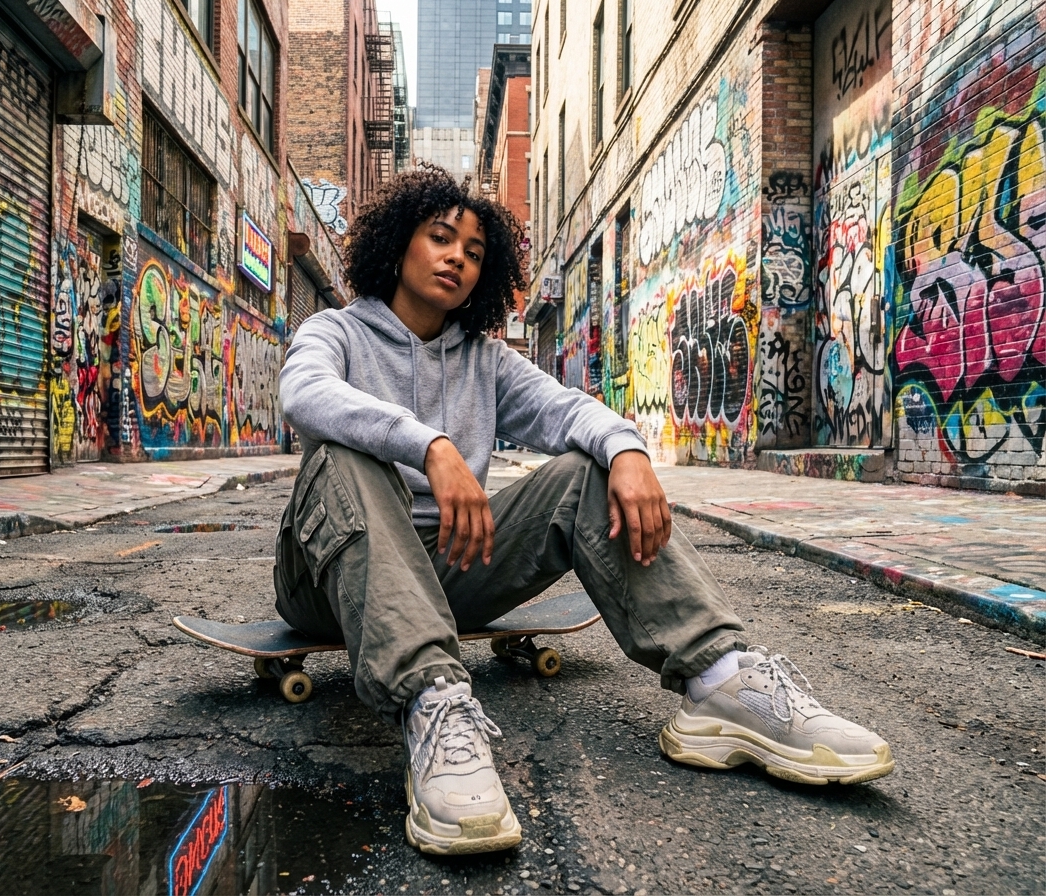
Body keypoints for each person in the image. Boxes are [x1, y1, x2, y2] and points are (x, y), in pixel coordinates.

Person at [275, 165, 894, 857]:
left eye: (475, 252)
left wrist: (627, 453)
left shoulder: (483, 359)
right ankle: (434, 707)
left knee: (585, 468)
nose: (456, 257)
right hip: (330, 579)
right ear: (398, 246)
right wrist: (431, 447)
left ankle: (721, 681)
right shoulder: (335, 332)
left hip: (447, 577)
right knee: (344, 453)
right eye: (440, 238)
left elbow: (567, 409)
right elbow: (304, 395)